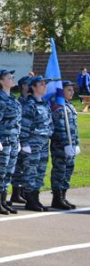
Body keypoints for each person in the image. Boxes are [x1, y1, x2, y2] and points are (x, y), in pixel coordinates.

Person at [0, 69, 21, 215]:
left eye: (13, 76)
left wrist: (18, 140)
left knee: (8, 172)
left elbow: (17, 122)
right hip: (2, 141)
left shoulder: (13, 99)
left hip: (12, 141)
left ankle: (3, 201)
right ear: (1, 81)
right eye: (9, 77)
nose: (12, 79)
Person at [19, 76, 55, 212]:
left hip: (44, 141)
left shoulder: (44, 104)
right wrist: (24, 142)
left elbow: (49, 123)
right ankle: (30, 200)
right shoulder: (30, 105)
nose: (44, 86)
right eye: (41, 84)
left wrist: (49, 133)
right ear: (33, 87)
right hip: (32, 142)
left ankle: (36, 197)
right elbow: (24, 125)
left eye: (45, 84)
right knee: (30, 171)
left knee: (40, 171)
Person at [50, 81, 80, 209]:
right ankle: (57, 198)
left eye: (72, 90)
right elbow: (60, 128)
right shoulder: (58, 107)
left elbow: (75, 128)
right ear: (62, 92)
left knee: (68, 171)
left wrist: (76, 143)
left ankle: (63, 196)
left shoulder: (70, 106)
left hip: (71, 145)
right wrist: (66, 144)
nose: (72, 92)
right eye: (69, 90)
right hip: (60, 146)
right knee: (60, 171)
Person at [9, 77, 32, 205]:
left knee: (25, 166)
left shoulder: (30, 101)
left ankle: (22, 191)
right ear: (23, 86)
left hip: (28, 137)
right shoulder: (20, 101)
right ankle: (16, 193)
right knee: (18, 167)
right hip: (19, 137)